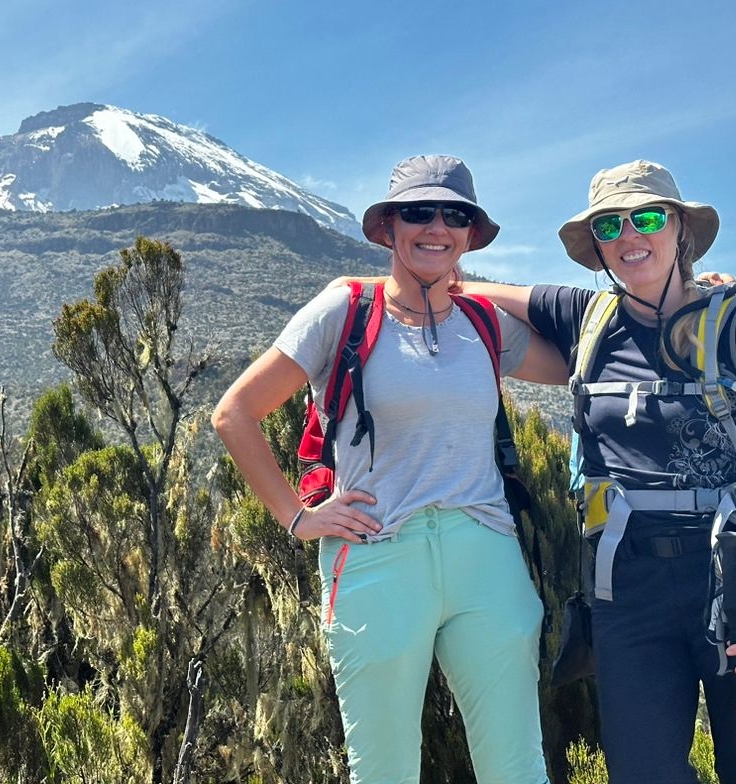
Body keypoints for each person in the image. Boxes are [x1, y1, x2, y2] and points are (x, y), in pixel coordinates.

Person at [211, 154, 567, 784]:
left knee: (517, 767)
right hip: (377, 555)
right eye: (418, 212)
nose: (436, 226)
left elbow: (586, 362)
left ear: (470, 232)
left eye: (454, 214)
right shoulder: (343, 308)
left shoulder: (485, 324)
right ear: (389, 227)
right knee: (383, 770)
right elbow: (234, 413)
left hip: (484, 553)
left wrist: (690, 298)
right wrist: (296, 517)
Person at [464, 160, 736, 784]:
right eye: (609, 226)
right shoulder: (585, 320)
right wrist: (358, 289)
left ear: (681, 229)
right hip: (625, 588)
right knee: (642, 770)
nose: (629, 236)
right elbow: (465, 289)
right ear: (594, 244)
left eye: (647, 217)